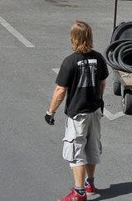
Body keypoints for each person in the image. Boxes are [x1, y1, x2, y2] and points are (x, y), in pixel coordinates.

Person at [45, 20, 108, 201]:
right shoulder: (98, 58)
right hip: (95, 111)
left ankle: (79, 192)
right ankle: (90, 183)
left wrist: (50, 112)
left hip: (78, 113)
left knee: (76, 151)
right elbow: (102, 84)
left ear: (74, 38)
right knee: (92, 147)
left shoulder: (70, 62)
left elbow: (60, 90)